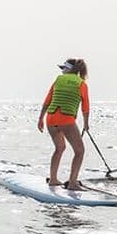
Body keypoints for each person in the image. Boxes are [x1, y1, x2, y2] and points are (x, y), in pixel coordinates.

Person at [37, 58, 90, 191]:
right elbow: (85, 106)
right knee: (80, 151)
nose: (62, 71)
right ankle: (72, 183)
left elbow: (47, 100)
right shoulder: (81, 83)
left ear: (70, 69)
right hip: (65, 119)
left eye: (64, 69)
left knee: (59, 148)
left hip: (51, 119)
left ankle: (53, 180)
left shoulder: (58, 80)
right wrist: (86, 124)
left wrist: (40, 119)